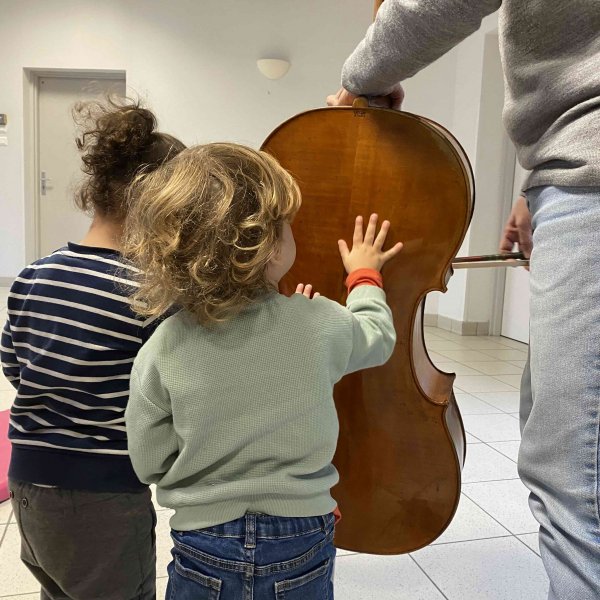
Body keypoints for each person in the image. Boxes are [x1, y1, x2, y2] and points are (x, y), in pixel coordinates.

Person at [327, 2, 600, 599]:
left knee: (578, 480)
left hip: (589, 183)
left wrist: (360, 76)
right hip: (574, 175)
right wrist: (539, 184)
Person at [122, 142, 403, 599]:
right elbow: (378, 336)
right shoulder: (320, 323)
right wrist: (364, 275)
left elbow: (149, 461)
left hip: (203, 538)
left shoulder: (162, 347)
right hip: (302, 532)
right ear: (270, 246)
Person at [0, 98, 185, 600]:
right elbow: (165, 397)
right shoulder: (149, 294)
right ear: (159, 208)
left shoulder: (33, 275)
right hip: (104, 491)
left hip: (29, 483)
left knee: (60, 590)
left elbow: (15, 366)